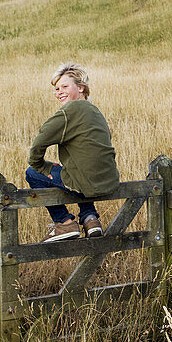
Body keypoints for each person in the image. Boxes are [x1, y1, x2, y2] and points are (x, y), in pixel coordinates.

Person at [26, 63, 120, 242]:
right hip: (108, 181)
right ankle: (90, 218)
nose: (59, 92)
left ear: (81, 87)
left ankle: (64, 222)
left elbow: (41, 139)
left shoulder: (69, 111)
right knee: (77, 170)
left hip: (86, 183)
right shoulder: (96, 111)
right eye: (56, 88)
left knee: (32, 173)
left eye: (64, 86)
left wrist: (41, 166)